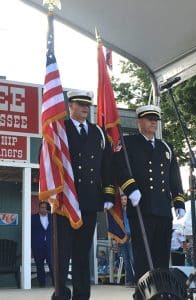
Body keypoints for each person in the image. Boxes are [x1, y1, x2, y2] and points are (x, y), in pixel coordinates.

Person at [114, 105, 185, 298]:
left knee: (161, 256)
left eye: (155, 119)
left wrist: (179, 201)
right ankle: (142, 295)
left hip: (162, 209)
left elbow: (174, 177)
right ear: (139, 122)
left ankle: (161, 293)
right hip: (142, 208)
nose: (153, 122)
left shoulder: (166, 147)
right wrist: (131, 189)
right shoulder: (128, 143)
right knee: (143, 257)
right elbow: (120, 168)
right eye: (149, 118)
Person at [54, 89, 115, 300]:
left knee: (82, 253)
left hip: (89, 200)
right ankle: (61, 293)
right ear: (70, 106)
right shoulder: (60, 128)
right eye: (80, 104)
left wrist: (108, 194)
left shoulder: (97, 132)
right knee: (62, 252)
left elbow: (107, 164)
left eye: (87, 105)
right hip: (65, 201)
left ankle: (82, 295)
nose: (85, 108)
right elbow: (47, 158)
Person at [31, 201, 53, 287]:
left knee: (52, 265)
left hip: (49, 246)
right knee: (39, 266)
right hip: (37, 246)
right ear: (39, 208)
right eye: (41, 207)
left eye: (45, 207)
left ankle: (55, 285)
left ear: (47, 209)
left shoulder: (52, 217)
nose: (43, 209)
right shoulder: (33, 218)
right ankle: (42, 286)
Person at [117, 192, 135, 286]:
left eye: (125, 199)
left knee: (133, 258)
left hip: (130, 235)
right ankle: (129, 280)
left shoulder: (131, 210)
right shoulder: (118, 212)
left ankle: (138, 278)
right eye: (122, 200)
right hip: (122, 237)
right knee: (126, 259)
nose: (123, 201)